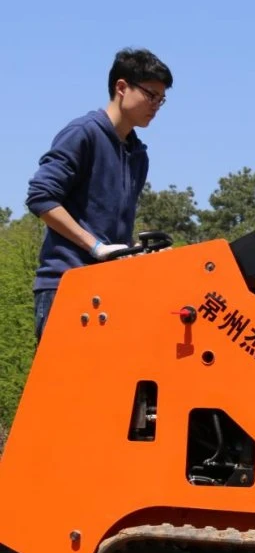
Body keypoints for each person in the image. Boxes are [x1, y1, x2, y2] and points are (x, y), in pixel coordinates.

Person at [26, 47, 173, 340]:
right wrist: (95, 247)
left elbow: (112, 234)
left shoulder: (137, 154)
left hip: (108, 291)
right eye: (151, 95)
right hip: (66, 287)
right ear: (121, 87)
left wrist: (139, 253)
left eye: (162, 99)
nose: (156, 105)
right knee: (65, 386)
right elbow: (41, 197)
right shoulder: (83, 133)